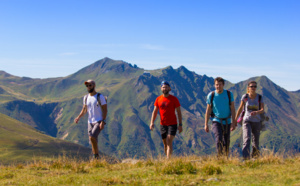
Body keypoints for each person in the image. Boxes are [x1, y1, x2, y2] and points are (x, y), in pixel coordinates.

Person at [74, 79, 107, 159]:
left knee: (92, 137)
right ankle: (96, 157)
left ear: (94, 86)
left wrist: (103, 121)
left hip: (98, 121)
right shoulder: (86, 98)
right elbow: (84, 109)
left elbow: (105, 109)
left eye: (90, 85)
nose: (88, 87)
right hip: (90, 122)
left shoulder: (100, 97)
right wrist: (78, 117)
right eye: (87, 86)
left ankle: (96, 156)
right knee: (92, 140)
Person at [204, 77, 236, 157]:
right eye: (216, 85)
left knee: (226, 141)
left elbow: (232, 108)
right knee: (218, 139)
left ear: (223, 85)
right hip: (216, 120)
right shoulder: (211, 95)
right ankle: (219, 158)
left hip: (227, 121)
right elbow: (208, 110)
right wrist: (206, 124)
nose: (218, 86)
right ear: (214, 85)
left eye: (220, 84)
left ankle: (225, 157)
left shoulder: (229, 94)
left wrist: (233, 122)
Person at [150, 81, 183, 159]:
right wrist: (152, 122)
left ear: (169, 88)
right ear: (161, 88)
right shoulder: (158, 99)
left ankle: (168, 161)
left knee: (169, 142)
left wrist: (180, 125)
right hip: (163, 124)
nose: (165, 88)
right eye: (163, 87)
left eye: (166, 87)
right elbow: (154, 111)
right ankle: (167, 158)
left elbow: (179, 112)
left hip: (173, 124)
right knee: (165, 144)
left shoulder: (174, 99)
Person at [235, 81, 264, 160]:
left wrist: (256, 112)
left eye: (254, 86)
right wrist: (235, 119)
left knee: (256, 141)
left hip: (257, 121)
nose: (253, 88)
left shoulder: (259, 97)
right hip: (246, 120)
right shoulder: (245, 97)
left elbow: (262, 109)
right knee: (247, 138)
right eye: (251, 86)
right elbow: (240, 108)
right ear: (248, 88)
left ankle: (255, 158)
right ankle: (246, 159)